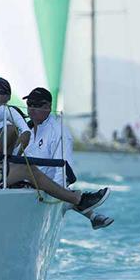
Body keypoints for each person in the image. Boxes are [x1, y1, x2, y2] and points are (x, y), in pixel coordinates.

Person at [0, 75, 109, 214]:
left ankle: (82, 205)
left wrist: (25, 130)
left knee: (22, 166)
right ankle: (78, 199)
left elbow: (6, 112)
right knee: (28, 169)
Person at [22, 87, 113, 229]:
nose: (31, 109)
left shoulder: (58, 131)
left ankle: (85, 207)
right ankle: (90, 212)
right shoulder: (24, 129)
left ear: (48, 107)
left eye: (36, 105)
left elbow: (63, 171)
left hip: (43, 189)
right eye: (29, 104)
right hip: (25, 185)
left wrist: (57, 193)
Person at [0, 77, 26, 155]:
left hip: (1, 159)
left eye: (0, 91)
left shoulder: (13, 114)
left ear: (9, 96)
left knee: (12, 129)